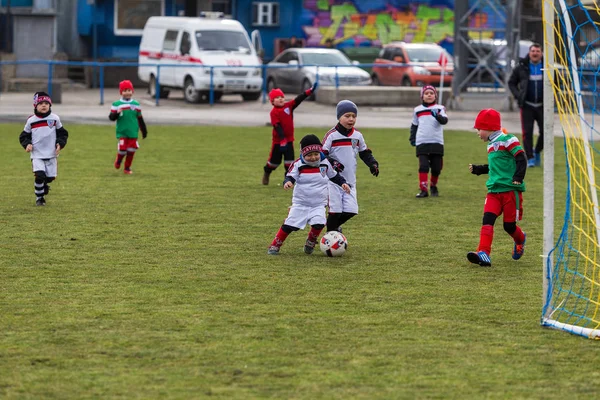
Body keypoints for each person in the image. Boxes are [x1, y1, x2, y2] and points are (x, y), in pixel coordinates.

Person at [267, 134, 350, 255]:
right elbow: (290, 175)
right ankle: (275, 244)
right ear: (303, 154)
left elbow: (334, 176)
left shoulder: (325, 163)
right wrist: (288, 182)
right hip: (301, 203)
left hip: (318, 204)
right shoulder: (298, 164)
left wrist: (343, 183)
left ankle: (311, 240)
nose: (313, 157)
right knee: (290, 225)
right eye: (309, 155)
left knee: (319, 223)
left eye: (316, 154)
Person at [467, 109, 527, 267]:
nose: (478, 132)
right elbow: (496, 167)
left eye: (478, 129)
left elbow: (521, 158)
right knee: (487, 220)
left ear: (488, 128)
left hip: (510, 191)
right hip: (493, 191)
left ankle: (520, 239)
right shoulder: (491, 145)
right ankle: (484, 253)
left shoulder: (508, 139)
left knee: (509, 226)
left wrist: (517, 178)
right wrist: (480, 169)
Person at [322, 100, 379, 233]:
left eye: (354, 116)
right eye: (347, 116)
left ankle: (330, 227)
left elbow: (364, 153)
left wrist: (373, 163)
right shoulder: (331, 135)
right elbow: (321, 155)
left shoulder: (357, 136)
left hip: (350, 181)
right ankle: (330, 232)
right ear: (339, 117)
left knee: (351, 210)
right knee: (335, 212)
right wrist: (333, 163)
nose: (351, 119)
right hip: (333, 181)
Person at [262, 83, 318, 185]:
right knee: (274, 162)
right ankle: (267, 173)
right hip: (278, 142)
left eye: (281, 97)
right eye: (277, 98)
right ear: (272, 101)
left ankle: (287, 181)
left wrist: (309, 91)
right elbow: (277, 126)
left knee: (289, 162)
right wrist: (282, 139)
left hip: (289, 141)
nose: (280, 99)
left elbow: (298, 99)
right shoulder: (274, 112)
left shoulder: (289, 106)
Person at [19, 92, 69, 206]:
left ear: (50, 105)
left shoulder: (55, 119)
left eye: (46, 103)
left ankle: (44, 184)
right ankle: (40, 198)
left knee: (50, 177)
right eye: (41, 103)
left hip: (51, 154)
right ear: (35, 105)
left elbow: (62, 134)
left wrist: (60, 144)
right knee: (40, 175)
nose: (44, 105)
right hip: (37, 154)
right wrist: (27, 144)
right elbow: (24, 136)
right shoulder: (31, 120)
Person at [508, 42, 544, 167]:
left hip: (543, 106)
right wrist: (518, 95)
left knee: (545, 132)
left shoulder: (547, 66)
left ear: (541, 53)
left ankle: (537, 151)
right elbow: (511, 82)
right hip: (527, 105)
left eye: (537, 51)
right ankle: (530, 158)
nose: (535, 53)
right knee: (527, 133)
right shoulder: (521, 67)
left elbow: (557, 82)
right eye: (533, 51)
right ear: (529, 53)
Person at [409, 85, 448, 198]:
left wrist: (437, 116)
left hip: (437, 141)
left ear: (435, 95)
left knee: (436, 167)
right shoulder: (417, 110)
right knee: (424, 166)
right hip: (422, 141)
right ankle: (423, 190)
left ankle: (433, 186)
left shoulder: (440, 108)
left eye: (431, 93)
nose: (429, 95)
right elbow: (414, 125)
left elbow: (444, 121)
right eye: (426, 93)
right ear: (422, 96)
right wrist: (412, 138)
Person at [109, 80, 148, 174]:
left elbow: (140, 118)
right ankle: (118, 160)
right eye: (125, 90)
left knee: (131, 150)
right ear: (121, 92)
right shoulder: (116, 104)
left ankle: (127, 168)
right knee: (122, 150)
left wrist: (144, 130)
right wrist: (117, 113)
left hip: (133, 132)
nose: (127, 92)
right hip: (122, 131)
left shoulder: (136, 104)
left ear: (132, 91)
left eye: (129, 90)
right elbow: (111, 118)